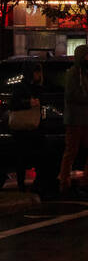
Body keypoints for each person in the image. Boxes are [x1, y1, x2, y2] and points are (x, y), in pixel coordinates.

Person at [59, 46, 88, 194]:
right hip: (74, 119)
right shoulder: (74, 73)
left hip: (86, 118)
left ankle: (86, 179)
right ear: (81, 57)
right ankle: (64, 182)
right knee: (71, 151)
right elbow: (72, 96)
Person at [9, 63, 45, 193]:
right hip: (22, 129)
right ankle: (21, 185)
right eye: (36, 72)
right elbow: (13, 104)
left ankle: (36, 184)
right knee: (21, 157)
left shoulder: (37, 87)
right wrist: (28, 103)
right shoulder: (20, 86)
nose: (39, 75)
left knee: (36, 155)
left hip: (34, 127)